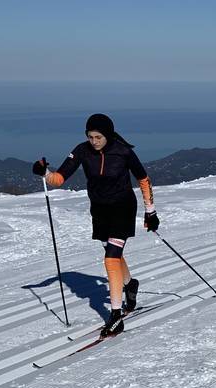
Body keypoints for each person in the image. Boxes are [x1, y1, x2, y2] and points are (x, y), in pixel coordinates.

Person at [32, 114, 160, 337]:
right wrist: (44, 172)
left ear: (107, 135)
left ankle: (115, 316)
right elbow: (59, 179)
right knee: (114, 255)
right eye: (90, 137)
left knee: (110, 258)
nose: (94, 141)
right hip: (100, 210)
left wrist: (150, 211)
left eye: (98, 137)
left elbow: (143, 179)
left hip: (122, 207)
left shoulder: (123, 151)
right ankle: (129, 284)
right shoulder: (82, 150)